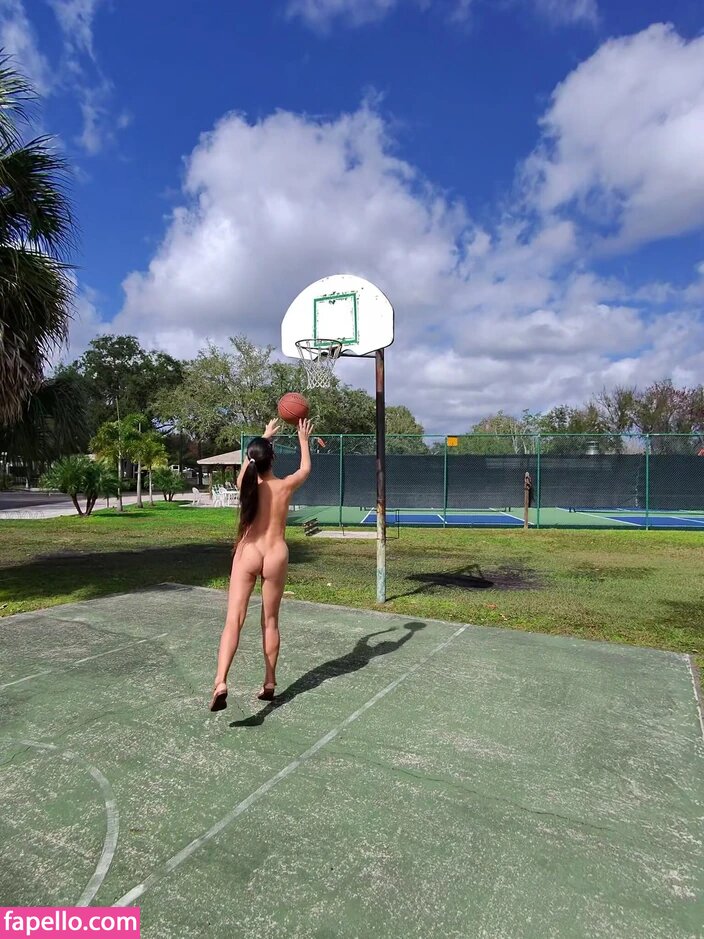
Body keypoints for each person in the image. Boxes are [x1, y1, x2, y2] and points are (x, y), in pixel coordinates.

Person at [209, 415, 313, 711]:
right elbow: (305, 469)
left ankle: (221, 682)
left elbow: (249, 464)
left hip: (249, 552)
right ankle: (269, 682)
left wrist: (265, 436)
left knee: (234, 620)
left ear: (252, 459)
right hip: (276, 554)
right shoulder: (285, 486)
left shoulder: (245, 483)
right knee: (270, 621)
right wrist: (303, 440)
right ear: (273, 460)